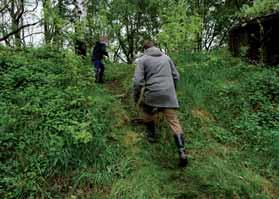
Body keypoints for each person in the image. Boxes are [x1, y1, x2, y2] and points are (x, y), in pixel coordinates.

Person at [133, 40, 188, 167]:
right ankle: (182, 152)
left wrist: (136, 98)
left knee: (146, 111)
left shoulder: (142, 60)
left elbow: (137, 82)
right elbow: (176, 76)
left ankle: (151, 137)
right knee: (174, 122)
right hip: (169, 95)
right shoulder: (167, 58)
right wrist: (171, 90)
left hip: (152, 95)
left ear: (144, 49)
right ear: (155, 47)